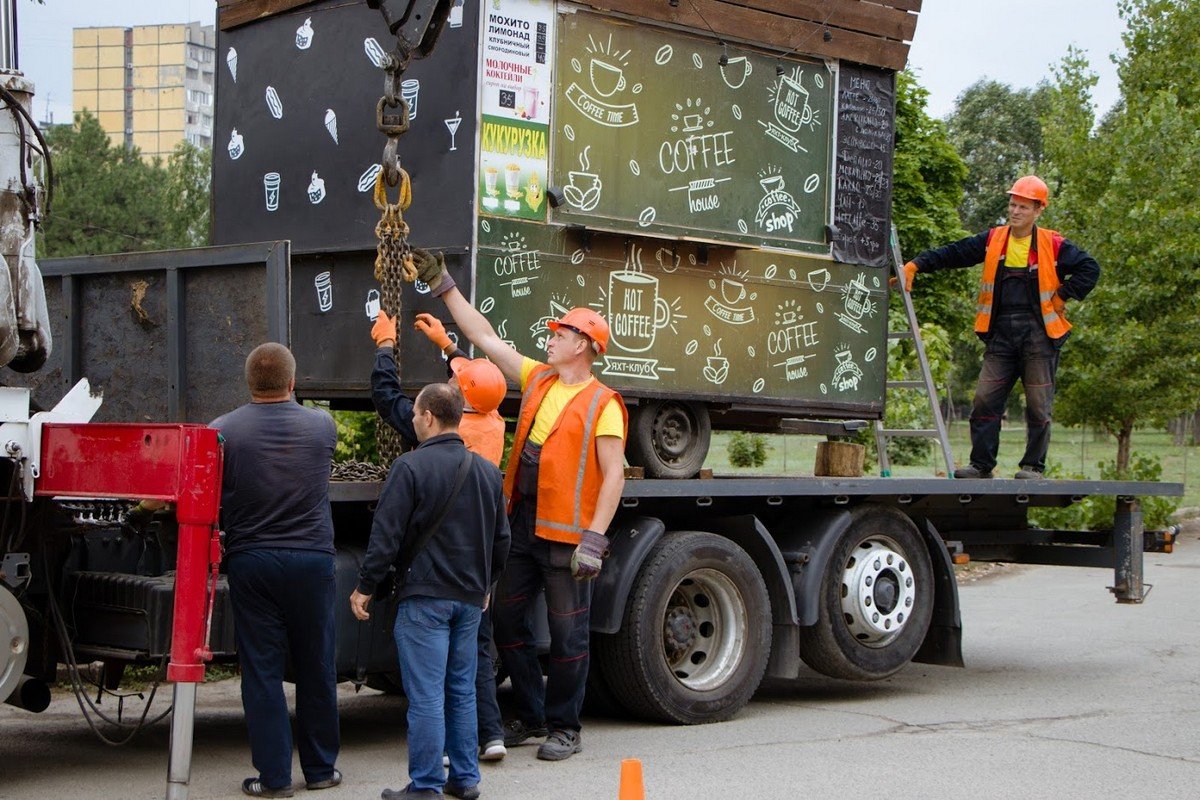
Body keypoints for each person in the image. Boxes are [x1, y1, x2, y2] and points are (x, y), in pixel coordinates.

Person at [414, 251, 627, 762]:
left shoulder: (605, 403)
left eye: (560, 333)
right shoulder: (539, 379)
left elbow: (614, 474)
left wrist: (594, 538)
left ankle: (565, 727)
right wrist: (444, 286)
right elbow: (485, 338)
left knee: (569, 636)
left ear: (582, 345)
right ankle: (532, 715)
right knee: (507, 624)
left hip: (569, 538)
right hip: (523, 527)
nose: (550, 338)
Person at [350, 384, 511, 800]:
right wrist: (486, 584)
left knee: (426, 695)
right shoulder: (487, 473)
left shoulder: (409, 467)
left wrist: (366, 586)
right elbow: (502, 540)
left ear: (429, 417)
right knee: (462, 689)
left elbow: (385, 536)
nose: (413, 419)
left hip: (424, 598)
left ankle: (425, 784)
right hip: (470, 599)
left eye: (415, 413)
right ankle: (465, 778)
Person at [369, 310, 509, 762]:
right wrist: (448, 346)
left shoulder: (439, 430)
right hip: (474, 562)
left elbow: (387, 397)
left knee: (435, 671)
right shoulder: (492, 420)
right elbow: (476, 382)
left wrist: (385, 347)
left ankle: (441, 754)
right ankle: (490, 736)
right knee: (474, 657)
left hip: (436, 561)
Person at [900, 176, 1099, 479]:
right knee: (984, 399)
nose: (1015, 211)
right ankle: (981, 466)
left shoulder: (1053, 244)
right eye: (1013, 204)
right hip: (1001, 335)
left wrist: (1062, 296)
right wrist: (916, 264)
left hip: (1039, 336)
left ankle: (1033, 467)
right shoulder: (994, 239)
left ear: (1038, 210)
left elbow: (1090, 268)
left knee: (1038, 404)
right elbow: (955, 252)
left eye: (1023, 207)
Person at [211, 342, 341, 798]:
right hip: (312, 559)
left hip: (252, 560)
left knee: (262, 670)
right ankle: (321, 770)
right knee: (316, 664)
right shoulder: (321, 426)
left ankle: (274, 778)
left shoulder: (223, 430)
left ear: (248, 382)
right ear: (292, 381)